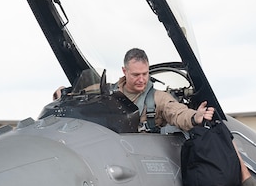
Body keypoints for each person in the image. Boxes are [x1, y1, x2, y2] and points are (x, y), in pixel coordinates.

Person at [54, 47, 215, 131]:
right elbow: (81, 96)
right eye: (136, 74)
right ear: (125, 71)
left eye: (145, 74)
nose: (142, 79)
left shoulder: (158, 98)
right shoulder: (107, 92)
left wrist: (195, 117)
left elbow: (177, 113)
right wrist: (64, 93)